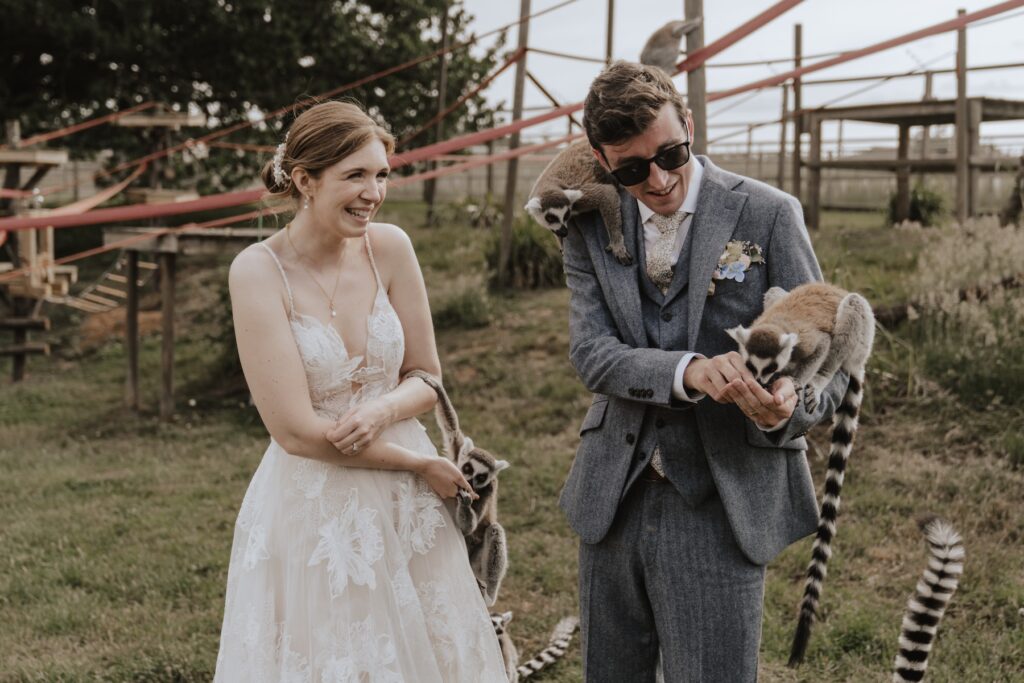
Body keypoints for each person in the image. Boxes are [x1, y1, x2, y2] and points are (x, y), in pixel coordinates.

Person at [557, 62, 849, 681]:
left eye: (672, 153)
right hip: (614, 489)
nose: (658, 179)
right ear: (602, 159)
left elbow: (833, 364)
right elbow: (592, 352)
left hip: (724, 494)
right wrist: (688, 372)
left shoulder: (768, 215)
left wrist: (789, 406)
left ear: (688, 125)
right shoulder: (585, 223)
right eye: (632, 169)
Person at [214, 100, 508, 682]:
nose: (373, 192)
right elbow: (295, 432)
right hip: (317, 501)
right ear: (305, 180)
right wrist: (417, 463)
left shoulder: (391, 247)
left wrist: (382, 410)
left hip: (409, 504)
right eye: (355, 176)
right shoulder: (256, 271)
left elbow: (427, 376)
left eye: (381, 175)